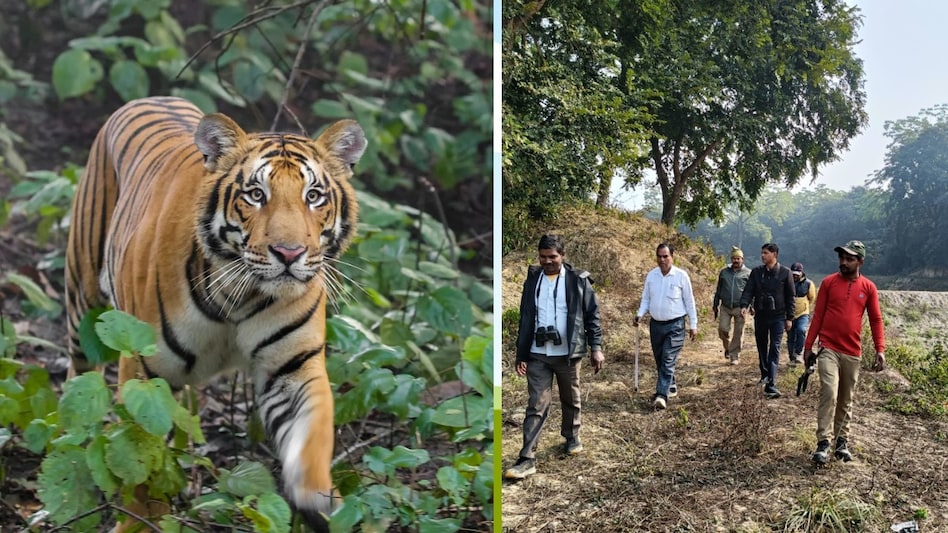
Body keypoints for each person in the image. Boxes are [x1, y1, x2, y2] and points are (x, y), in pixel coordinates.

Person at [505, 234, 605, 479]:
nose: (547, 261)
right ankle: (527, 457)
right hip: (538, 353)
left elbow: (592, 316)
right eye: (543, 257)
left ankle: (571, 437)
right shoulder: (533, 280)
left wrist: (596, 347)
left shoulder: (578, 281)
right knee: (536, 404)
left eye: (552, 257)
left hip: (568, 353)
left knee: (571, 397)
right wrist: (521, 353)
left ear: (563, 255)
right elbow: (526, 318)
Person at [803, 240, 885, 464]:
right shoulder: (829, 283)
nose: (843, 262)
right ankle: (823, 443)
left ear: (860, 262)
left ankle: (841, 442)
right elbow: (818, 315)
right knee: (830, 391)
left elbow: (876, 319)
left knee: (846, 398)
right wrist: (808, 346)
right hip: (828, 347)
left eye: (849, 259)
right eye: (842, 258)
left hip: (852, 351)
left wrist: (880, 349)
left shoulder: (868, 288)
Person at [634, 242, 698, 410]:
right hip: (655, 325)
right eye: (659, 256)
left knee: (668, 358)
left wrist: (693, 324)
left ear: (672, 257)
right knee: (660, 359)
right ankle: (671, 384)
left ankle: (661, 395)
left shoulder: (681, 276)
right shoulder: (652, 276)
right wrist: (639, 314)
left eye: (665, 256)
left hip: (675, 325)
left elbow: (689, 301)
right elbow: (646, 299)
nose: (662, 260)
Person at [739, 243, 795, 399]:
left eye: (766, 253)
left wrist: (789, 318)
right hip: (761, 316)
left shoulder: (785, 273)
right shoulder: (757, 272)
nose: (762, 256)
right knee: (762, 346)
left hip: (778, 317)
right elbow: (748, 290)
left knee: (775, 348)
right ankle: (764, 374)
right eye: (762, 253)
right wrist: (744, 305)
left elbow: (791, 297)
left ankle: (771, 383)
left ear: (774, 254)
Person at [713, 246, 751, 365]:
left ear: (742, 259)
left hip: (741, 307)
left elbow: (751, 291)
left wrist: (752, 305)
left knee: (738, 333)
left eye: (738, 258)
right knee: (723, 329)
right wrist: (715, 304)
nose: (736, 261)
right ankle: (728, 347)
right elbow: (718, 289)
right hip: (725, 307)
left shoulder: (748, 273)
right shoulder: (724, 272)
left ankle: (734, 356)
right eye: (734, 258)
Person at [787, 262, 816, 365]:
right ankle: (792, 358)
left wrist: (804, 306)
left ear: (801, 273)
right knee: (790, 336)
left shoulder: (808, 283)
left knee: (801, 330)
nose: (794, 276)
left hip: (803, 313)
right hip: (789, 314)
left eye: (797, 274)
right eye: (793, 274)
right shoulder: (786, 282)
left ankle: (799, 352)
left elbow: (811, 298)